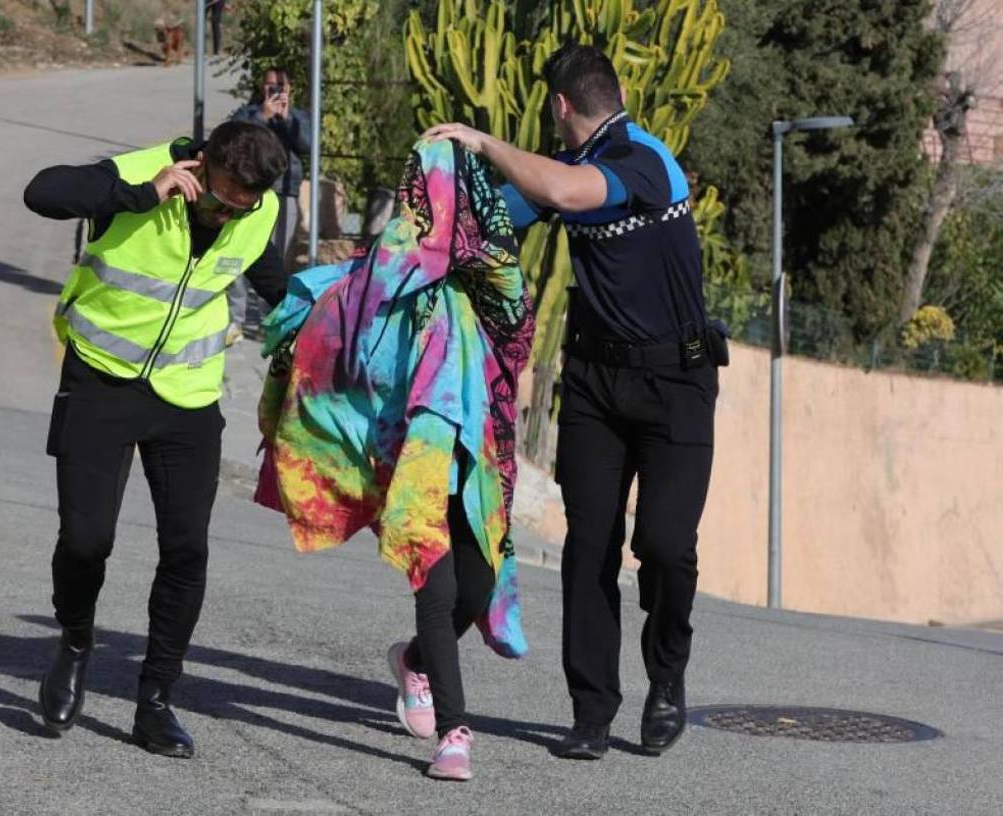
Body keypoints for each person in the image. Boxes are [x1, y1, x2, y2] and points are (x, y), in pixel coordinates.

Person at [425, 43, 727, 759]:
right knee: (589, 546)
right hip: (595, 384)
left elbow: (566, 192)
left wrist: (483, 141)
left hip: (676, 383)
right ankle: (592, 712)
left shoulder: (647, 160)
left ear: (561, 105)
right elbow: (493, 220)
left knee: (665, 545)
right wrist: (429, 207)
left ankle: (667, 677)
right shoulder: (567, 166)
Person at [253, 139, 534, 780]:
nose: (441, 208)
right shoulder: (383, 272)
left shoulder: (491, 263)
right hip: (413, 456)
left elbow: (517, 322)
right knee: (435, 581)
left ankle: (413, 662)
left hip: (474, 453)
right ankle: (455, 734)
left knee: (476, 587)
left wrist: (482, 147)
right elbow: (336, 340)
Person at [22, 121, 288, 757]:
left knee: (186, 550)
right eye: (220, 200)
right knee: (86, 540)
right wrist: (140, 193)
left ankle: (157, 700)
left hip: (187, 395)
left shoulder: (257, 211)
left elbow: (276, 285)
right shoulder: (140, 173)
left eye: (242, 207)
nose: (228, 215)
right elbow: (42, 192)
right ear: (200, 165)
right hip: (101, 379)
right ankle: (76, 640)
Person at [226, 67, 312, 339]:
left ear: (289, 89)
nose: (275, 91)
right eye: (269, 86)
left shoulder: (298, 117)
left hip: (285, 193)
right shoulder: (249, 114)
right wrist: (263, 116)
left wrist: (287, 119)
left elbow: (308, 145)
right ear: (261, 88)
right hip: (250, 190)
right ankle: (235, 320)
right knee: (236, 250)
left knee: (276, 259)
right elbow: (233, 137)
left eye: (280, 87)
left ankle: (269, 320)